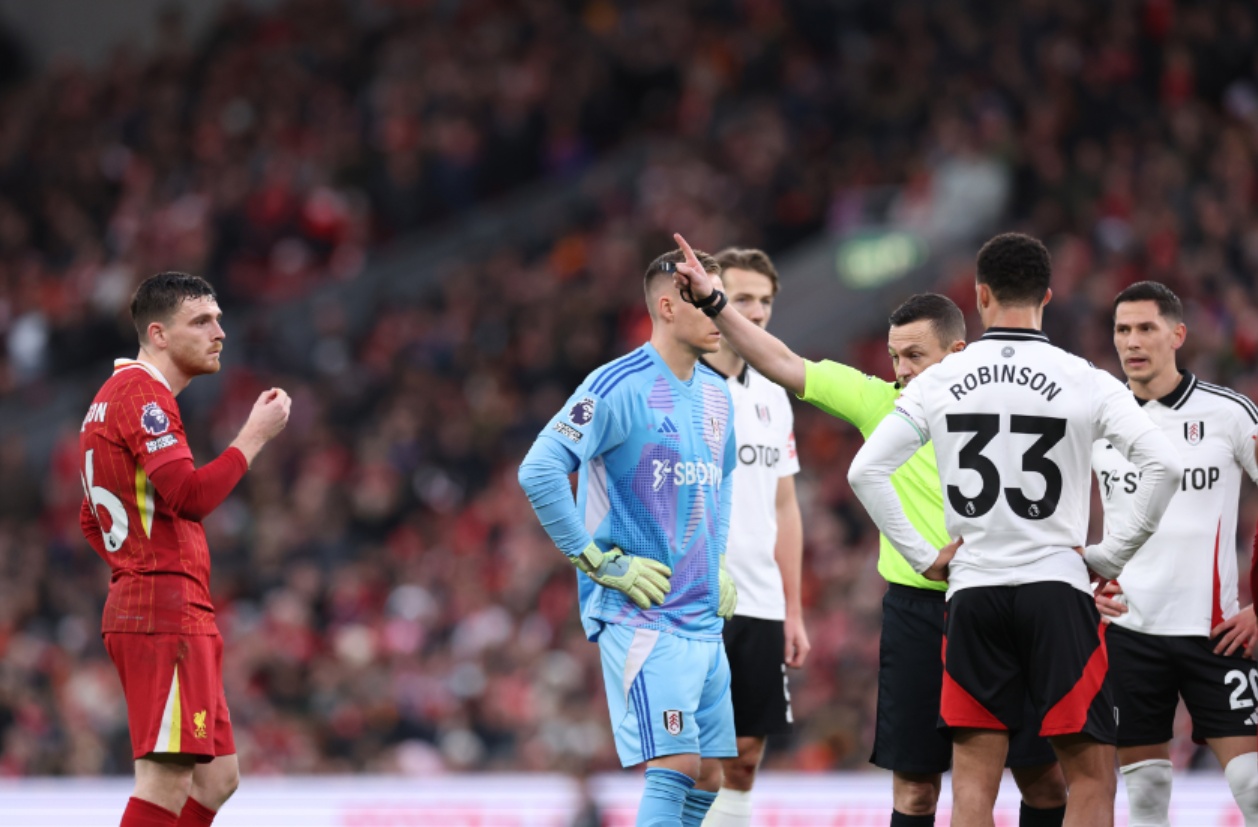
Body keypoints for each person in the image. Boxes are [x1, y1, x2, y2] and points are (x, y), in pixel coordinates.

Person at [671, 237, 1068, 827]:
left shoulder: (1009, 402)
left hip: (1004, 601)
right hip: (917, 613)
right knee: (915, 792)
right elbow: (780, 359)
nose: (901, 371)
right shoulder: (878, 402)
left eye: (914, 356)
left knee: (1041, 779)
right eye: (894, 356)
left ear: (957, 351)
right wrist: (714, 303)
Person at [845, 232, 1182, 827]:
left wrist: (925, 555)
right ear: (1047, 296)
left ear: (979, 297)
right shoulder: (1085, 378)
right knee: (1089, 781)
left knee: (974, 785)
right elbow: (1165, 465)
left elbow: (865, 470)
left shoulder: (940, 379)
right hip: (1057, 589)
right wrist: (1110, 555)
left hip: (973, 591)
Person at [517, 239, 738, 827]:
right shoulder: (615, 385)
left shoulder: (719, 396)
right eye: (705, 300)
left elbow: (722, 481)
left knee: (712, 775)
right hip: (644, 614)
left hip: (702, 618)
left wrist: (718, 561)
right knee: (676, 765)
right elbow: (538, 469)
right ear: (667, 307)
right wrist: (597, 562)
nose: (720, 310)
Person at [79, 273, 291, 827]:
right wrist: (255, 435)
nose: (219, 331)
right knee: (166, 779)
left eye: (219, 318)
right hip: (162, 611)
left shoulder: (113, 398)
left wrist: (134, 562)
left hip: (171, 606)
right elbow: (190, 496)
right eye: (202, 321)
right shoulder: (142, 395)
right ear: (159, 334)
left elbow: (89, 517)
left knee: (218, 779)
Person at [1090, 281, 1258, 826]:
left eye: (1146, 328)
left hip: (1217, 630)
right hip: (1129, 631)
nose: (1132, 342)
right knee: (1144, 797)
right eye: (1122, 330)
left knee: (1252, 786)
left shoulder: (1229, 413)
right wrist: (1080, 583)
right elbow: (1056, 517)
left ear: (1177, 334)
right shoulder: (1096, 419)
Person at [697, 249, 807, 827]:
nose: (757, 313)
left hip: (760, 601)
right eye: (742, 299)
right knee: (689, 761)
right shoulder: (681, 385)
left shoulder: (773, 394)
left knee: (743, 758)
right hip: (692, 599)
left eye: (765, 301)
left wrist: (793, 609)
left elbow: (784, 508)